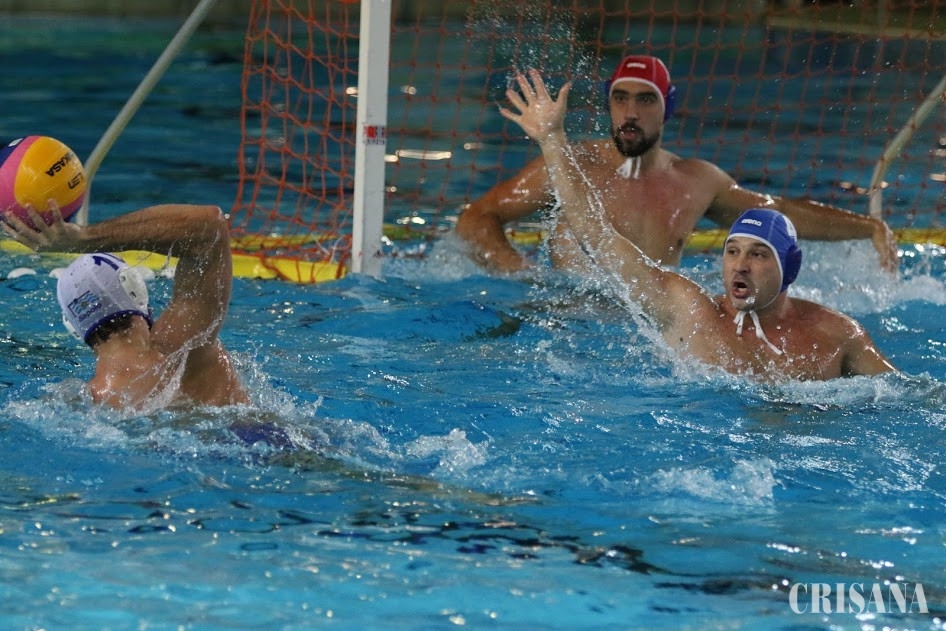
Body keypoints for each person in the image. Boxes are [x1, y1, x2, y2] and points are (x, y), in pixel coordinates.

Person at [498, 69, 895, 380]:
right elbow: (596, 235)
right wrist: (552, 139)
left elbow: (908, 395)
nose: (740, 266)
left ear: (790, 268)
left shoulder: (837, 335)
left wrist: (870, 227)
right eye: (732, 251)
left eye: (758, 255)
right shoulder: (689, 311)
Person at [456, 55, 898, 275]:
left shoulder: (696, 180)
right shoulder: (567, 165)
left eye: (645, 100)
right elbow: (476, 218)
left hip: (645, 334)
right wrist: (519, 274)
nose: (630, 112)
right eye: (620, 98)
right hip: (563, 326)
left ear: (666, 107)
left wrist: (868, 227)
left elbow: (775, 211)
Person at [2, 201, 250, 409]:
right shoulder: (183, 345)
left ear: (73, 326)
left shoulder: (89, 402)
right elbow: (208, 227)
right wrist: (83, 238)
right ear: (136, 290)